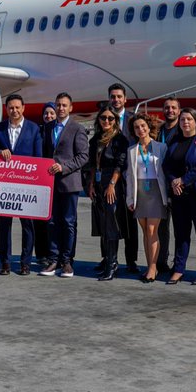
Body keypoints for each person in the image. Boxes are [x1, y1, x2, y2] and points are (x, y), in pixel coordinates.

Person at [0, 93, 43, 275]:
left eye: (17, 107)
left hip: (26, 186)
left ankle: (25, 263)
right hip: (4, 185)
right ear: (6, 109)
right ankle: (5, 263)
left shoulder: (34, 129)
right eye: (11, 108)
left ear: (23, 108)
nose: (14, 111)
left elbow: (38, 158)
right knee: (4, 226)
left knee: (27, 226)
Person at [163, 108, 196, 285]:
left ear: (195, 121)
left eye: (189, 119)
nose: (185, 122)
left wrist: (182, 180)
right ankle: (179, 269)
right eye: (183, 119)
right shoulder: (174, 141)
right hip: (179, 195)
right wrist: (173, 182)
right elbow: (167, 166)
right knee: (181, 234)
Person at [39, 93, 89, 278]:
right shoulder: (47, 127)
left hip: (69, 182)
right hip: (49, 183)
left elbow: (83, 156)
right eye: (58, 105)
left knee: (68, 223)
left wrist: (64, 167)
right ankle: (53, 259)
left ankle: (67, 262)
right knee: (51, 222)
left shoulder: (77, 128)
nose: (60, 108)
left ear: (71, 108)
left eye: (64, 105)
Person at [86, 106, 129, 281]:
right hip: (98, 181)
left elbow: (120, 164)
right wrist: (91, 185)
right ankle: (107, 260)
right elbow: (92, 164)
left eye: (110, 119)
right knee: (102, 224)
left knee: (112, 224)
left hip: (113, 183)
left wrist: (112, 184)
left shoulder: (120, 139)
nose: (106, 121)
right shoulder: (96, 139)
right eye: (103, 118)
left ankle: (112, 263)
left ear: (116, 121)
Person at [126, 113, 168, 283]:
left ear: (149, 127)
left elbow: (166, 172)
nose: (140, 129)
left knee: (152, 230)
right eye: (137, 127)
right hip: (140, 192)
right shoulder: (131, 150)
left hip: (156, 192)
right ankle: (149, 264)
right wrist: (130, 198)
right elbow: (129, 176)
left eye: (143, 126)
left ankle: (153, 267)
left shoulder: (161, 147)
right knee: (145, 231)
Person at [105, 84, 140, 273]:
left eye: (119, 96)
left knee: (129, 220)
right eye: (113, 96)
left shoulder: (132, 120)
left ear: (125, 99)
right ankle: (108, 258)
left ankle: (131, 260)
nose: (116, 99)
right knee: (109, 218)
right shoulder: (104, 118)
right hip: (109, 176)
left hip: (128, 176)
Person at [153, 97, 182, 277]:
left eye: (173, 108)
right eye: (167, 108)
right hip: (159, 185)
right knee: (161, 227)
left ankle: (178, 264)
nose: (170, 110)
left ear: (179, 110)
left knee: (180, 228)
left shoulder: (183, 130)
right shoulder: (159, 131)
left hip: (178, 185)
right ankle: (161, 261)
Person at [34, 101, 58, 261]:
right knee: (40, 220)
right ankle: (41, 253)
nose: (48, 116)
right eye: (46, 113)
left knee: (55, 220)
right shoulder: (38, 132)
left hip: (56, 180)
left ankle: (54, 253)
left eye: (51, 113)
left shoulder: (58, 132)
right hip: (39, 180)